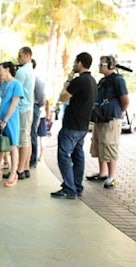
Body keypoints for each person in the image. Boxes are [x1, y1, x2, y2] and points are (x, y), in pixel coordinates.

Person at [50, 52, 97, 199]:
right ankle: (76, 186)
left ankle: (69, 188)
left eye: (75, 62)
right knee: (78, 156)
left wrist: (67, 82)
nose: (73, 65)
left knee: (64, 155)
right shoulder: (93, 81)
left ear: (80, 63)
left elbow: (62, 97)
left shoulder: (78, 81)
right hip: (82, 125)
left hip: (71, 125)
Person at [87, 55, 129, 188]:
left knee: (109, 146)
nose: (99, 66)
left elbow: (125, 100)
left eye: (102, 64)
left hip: (111, 119)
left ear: (110, 66)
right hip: (100, 118)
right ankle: (103, 173)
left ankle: (111, 176)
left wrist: (119, 112)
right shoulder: (103, 81)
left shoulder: (118, 81)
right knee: (100, 146)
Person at [0, 62, 24, 187]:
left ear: (7, 70)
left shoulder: (16, 84)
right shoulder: (2, 85)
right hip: (0, 120)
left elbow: (14, 104)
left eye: (0, 69)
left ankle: (13, 173)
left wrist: (5, 119)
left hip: (11, 120)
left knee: (12, 145)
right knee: (0, 145)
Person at [14, 46, 35, 179]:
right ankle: (25, 167)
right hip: (28, 108)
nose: (19, 59)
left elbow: (16, 91)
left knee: (23, 140)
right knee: (27, 137)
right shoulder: (31, 70)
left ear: (27, 56)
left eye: (21, 56)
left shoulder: (22, 71)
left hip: (22, 108)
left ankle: (20, 169)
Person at [30, 59, 46, 168]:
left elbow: (41, 98)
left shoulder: (37, 80)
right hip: (30, 107)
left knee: (32, 134)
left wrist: (37, 106)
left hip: (33, 107)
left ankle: (33, 159)